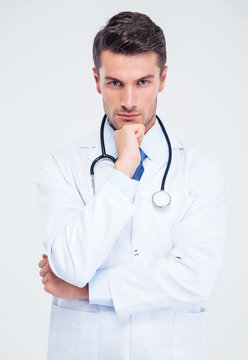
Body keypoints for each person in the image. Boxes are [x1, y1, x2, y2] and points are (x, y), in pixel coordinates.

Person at [35, 11, 227, 360]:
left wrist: (89, 290)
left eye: (143, 82)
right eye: (115, 83)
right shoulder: (61, 167)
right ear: (97, 79)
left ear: (162, 79)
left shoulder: (200, 170)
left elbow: (196, 277)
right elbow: (70, 266)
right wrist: (124, 168)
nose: (129, 102)